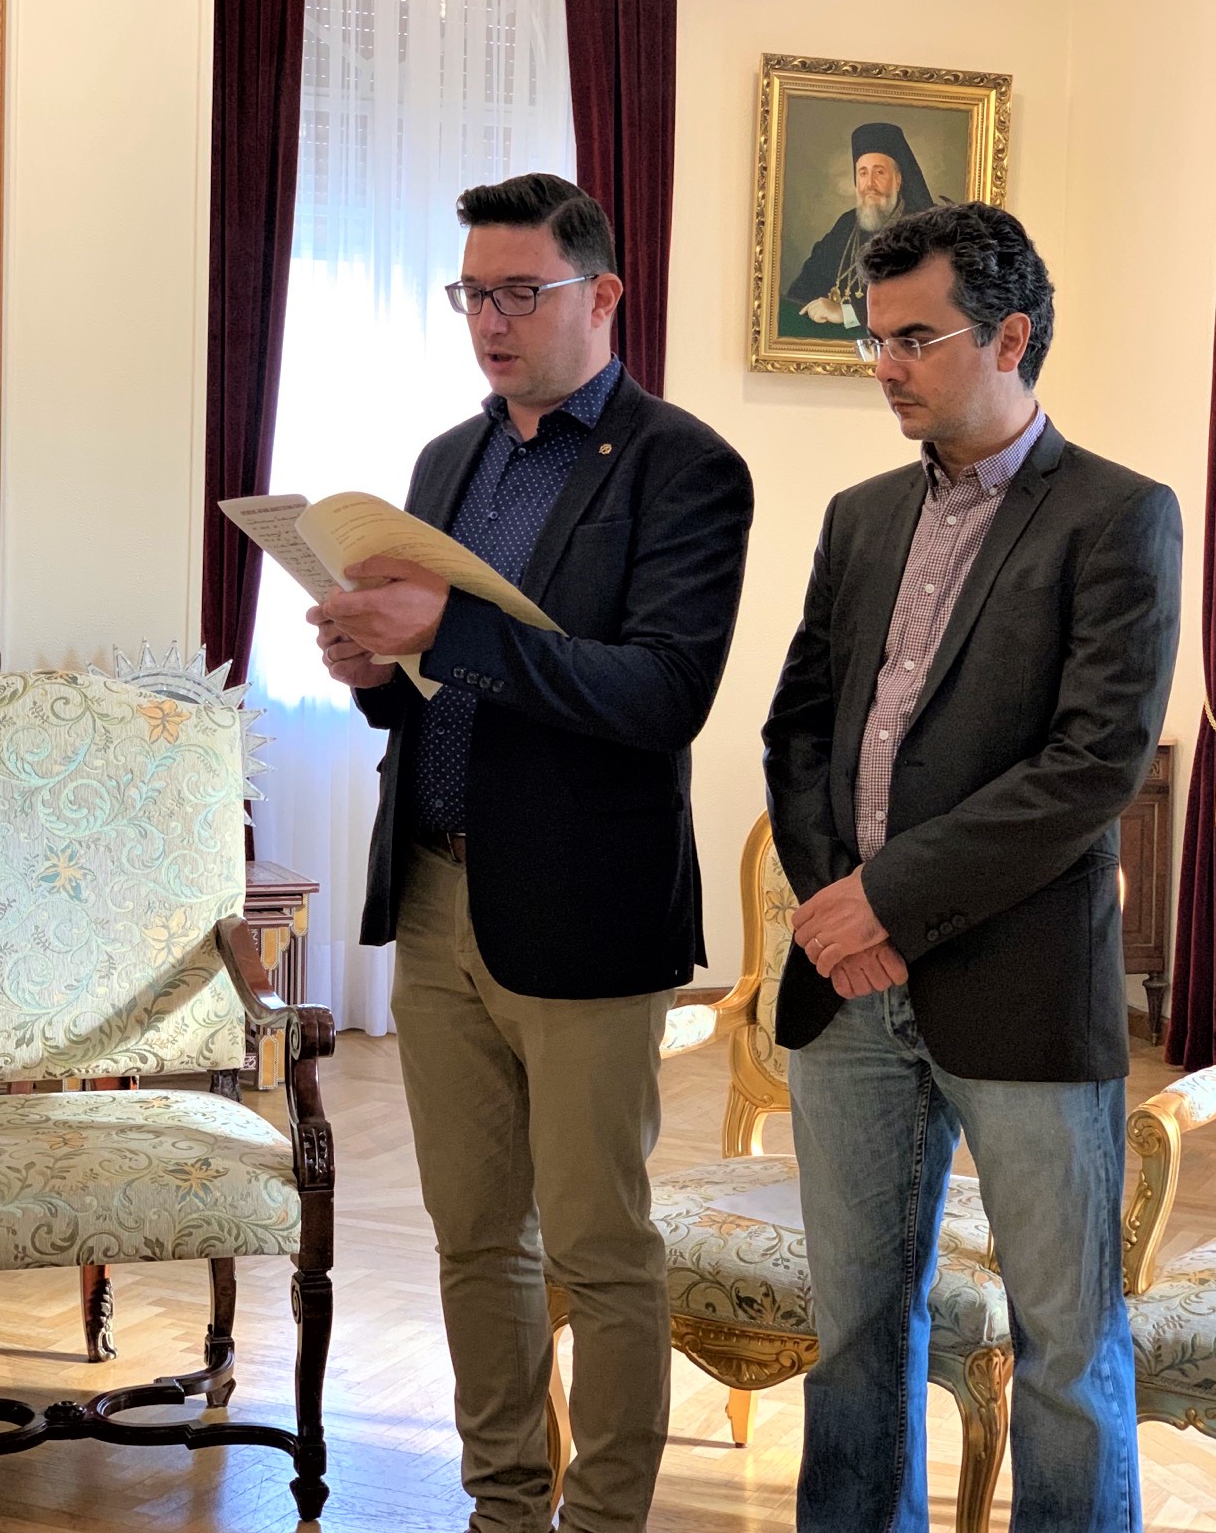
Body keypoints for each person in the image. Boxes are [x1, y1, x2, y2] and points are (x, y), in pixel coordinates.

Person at [308, 172, 753, 1533]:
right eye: (472, 295)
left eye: (520, 293)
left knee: (599, 1246)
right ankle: (504, 1505)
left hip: (584, 906)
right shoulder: (449, 461)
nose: (490, 322)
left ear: (601, 295)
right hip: (437, 892)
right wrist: (372, 670)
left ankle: (604, 1519)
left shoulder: (683, 467)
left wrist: (447, 632)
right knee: (473, 1239)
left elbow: (661, 693)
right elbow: (438, 693)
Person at [763, 201, 1181, 1533]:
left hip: (1020, 987)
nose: (884, 366)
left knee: (1064, 1347)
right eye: (873, 338)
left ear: (1009, 336)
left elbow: (1090, 767)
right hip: (848, 994)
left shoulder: (1119, 515)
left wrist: (883, 902)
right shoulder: (859, 516)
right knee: (853, 1331)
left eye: (914, 339)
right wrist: (838, 913)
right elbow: (797, 731)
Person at [787, 121, 934, 329]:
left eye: (879, 172)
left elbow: (919, 301)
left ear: (898, 180)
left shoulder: (922, 230)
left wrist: (847, 313)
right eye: (863, 173)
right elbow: (808, 280)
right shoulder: (847, 224)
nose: (870, 184)